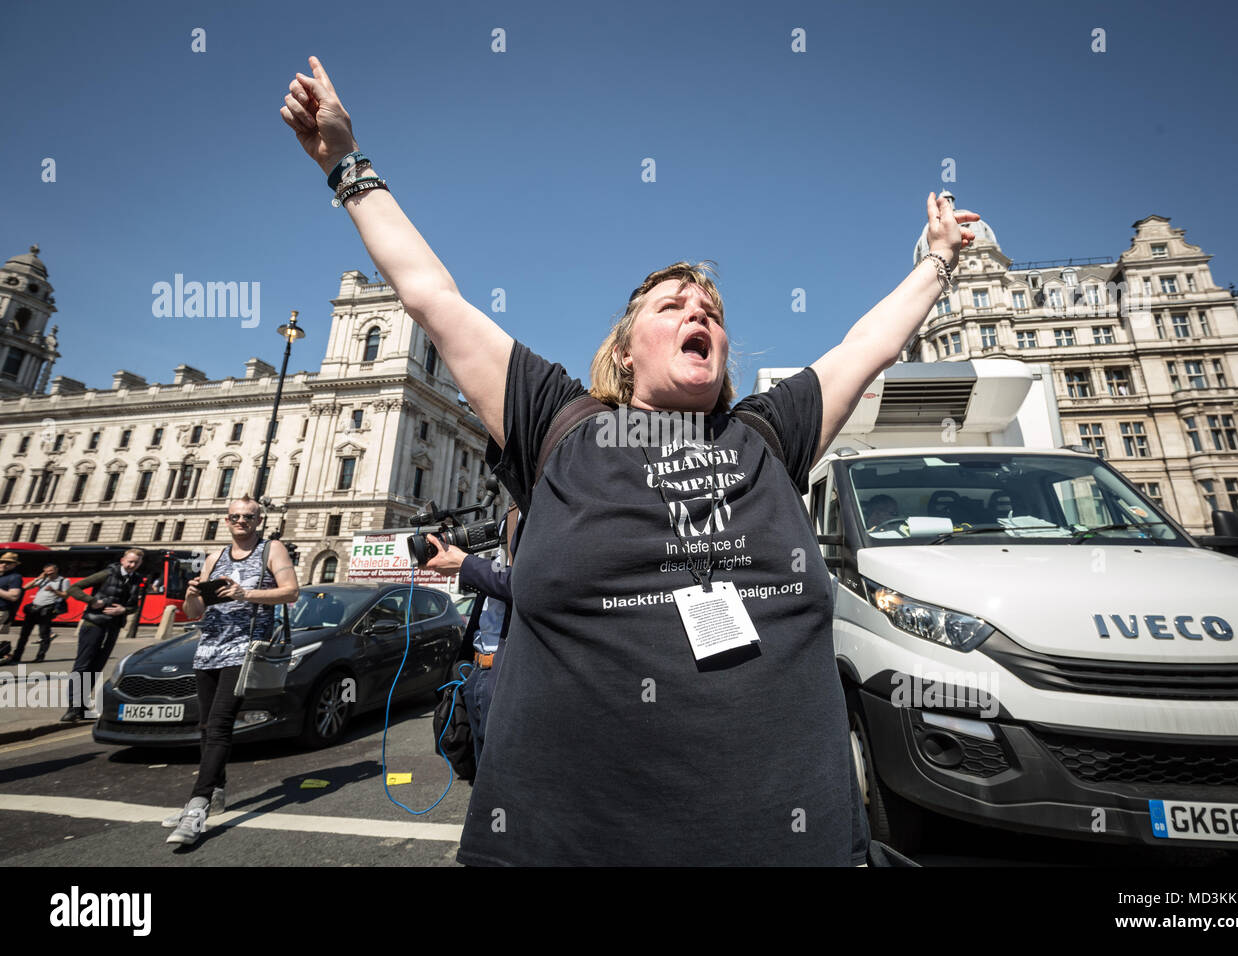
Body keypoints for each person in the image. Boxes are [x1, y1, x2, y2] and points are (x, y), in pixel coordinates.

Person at [280, 55, 978, 865]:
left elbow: (867, 346)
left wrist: (936, 260)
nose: (698, 313)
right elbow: (433, 297)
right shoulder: (559, 424)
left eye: (710, 310)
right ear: (625, 348)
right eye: (673, 305)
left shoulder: (764, 436)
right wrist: (344, 162)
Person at [164, 495, 300, 846]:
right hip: (208, 647)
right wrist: (194, 592)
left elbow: (291, 592)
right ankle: (217, 790)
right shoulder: (215, 557)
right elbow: (194, 611)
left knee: (221, 724)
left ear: (259, 521)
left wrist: (246, 594)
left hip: (244, 649)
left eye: (248, 517)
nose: (241, 521)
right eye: (235, 517)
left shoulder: (272, 550)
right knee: (206, 726)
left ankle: (196, 807)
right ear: (226, 521)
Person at [426, 504, 520, 766]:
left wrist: (465, 563)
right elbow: (494, 576)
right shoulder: (509, 514)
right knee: (480, 769)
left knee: (502, 772)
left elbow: (527, 584)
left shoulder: (545, 507)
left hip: (506, 672)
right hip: (478, 668)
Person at [61, 550, 146, 722]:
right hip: (93, 624)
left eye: (136, 563)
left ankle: (83, 705)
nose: (132, 565)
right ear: (122, 560)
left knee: (98, 665)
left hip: (113, 626)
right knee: (83, 664)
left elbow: (133, 605)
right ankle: (72, 707)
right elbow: (73, 588)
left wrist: (124, 610)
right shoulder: (107, 573)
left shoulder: (136, 579)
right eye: (130, 561)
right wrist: (92, 601)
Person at [0, 563, 69, 664]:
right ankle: (17, 656)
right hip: (33, 609)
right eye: (46, 571)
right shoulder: (43, 579)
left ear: (56, 570)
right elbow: (25, 588)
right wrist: (38, 579)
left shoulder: (63, 581)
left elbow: (65, 596)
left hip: (46, 610)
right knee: (24, 635)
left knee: (44, 634)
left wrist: (54, 590)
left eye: (51, 571)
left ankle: (40, 656)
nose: (49, 573)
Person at [0, 552, 24, 634]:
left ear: (14, 565)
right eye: (1, 562)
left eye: (8, 563)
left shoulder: (15, 577)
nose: (3, 564)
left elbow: (14, 596)